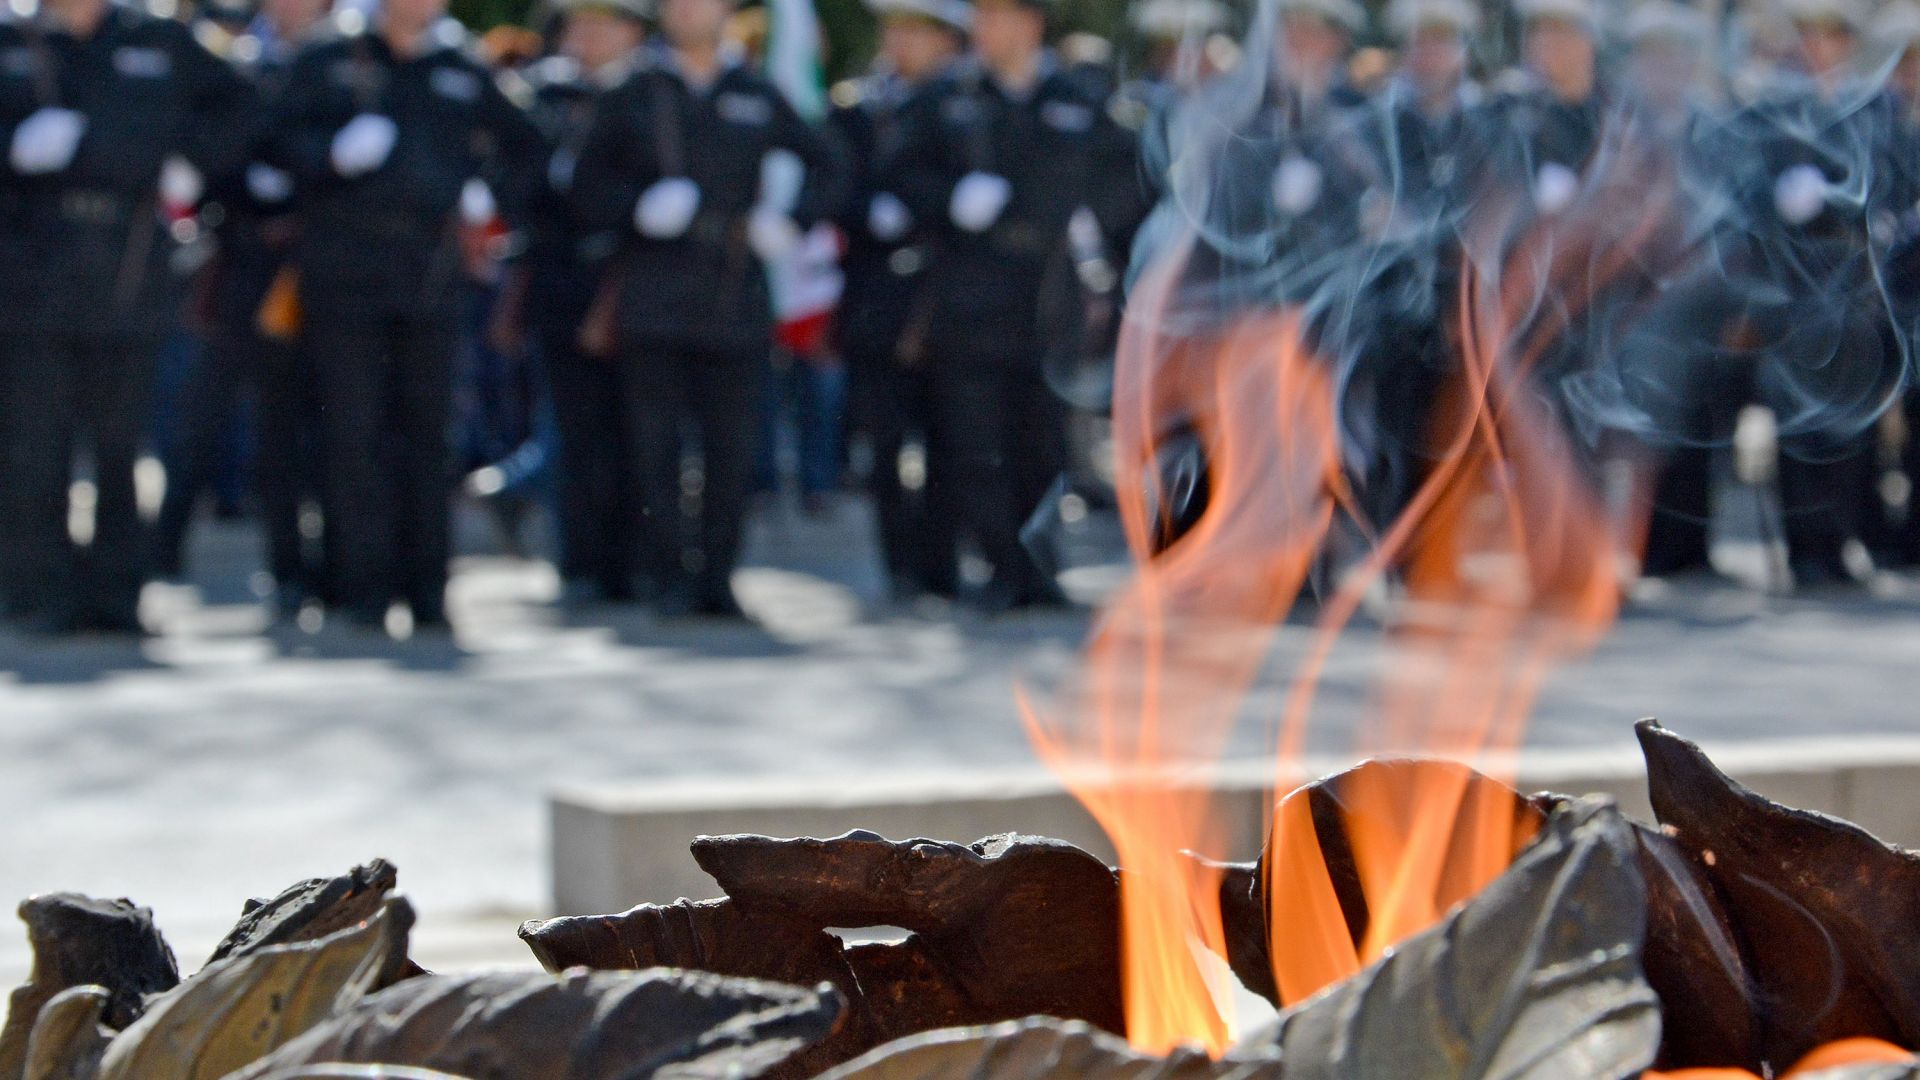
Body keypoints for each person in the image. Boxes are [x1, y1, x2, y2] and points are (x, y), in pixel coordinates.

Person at [270, 0, 544, 634]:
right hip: (343, 269)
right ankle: (359, 589)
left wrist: (485, 194)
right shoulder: (326, 56)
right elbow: (271, 140)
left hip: (430, 272)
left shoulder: (460, 66)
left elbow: (525, 144)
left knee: (429, 434)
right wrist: (329, 156)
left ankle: (428, 591)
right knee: (352, 432)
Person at [568, 0, 846, 620]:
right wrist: (635, 208)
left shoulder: (754, 90)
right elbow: (582, 187)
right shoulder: (631, 90)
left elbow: (830, 162)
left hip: (733, 290)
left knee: (732, 446)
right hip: (654, 292)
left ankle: (718, 577)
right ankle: (667, 575)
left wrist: (793, 221)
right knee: (654, 446)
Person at [0, 0, 253, 635]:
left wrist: (193, 162)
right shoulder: (12, 38)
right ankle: (38, 594)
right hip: (32, 267)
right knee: (36, 445)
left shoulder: (158, 40)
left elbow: (241, 105)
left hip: (130, 263)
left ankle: (118, 596)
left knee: (121, 446)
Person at [887, 0, 1144, 612]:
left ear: (1031, 23)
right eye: (980, 16)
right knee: (974, 440)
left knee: (1043, 441)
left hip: (1048, 290)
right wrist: (948, 199)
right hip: (969, 288)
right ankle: (998, 567)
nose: (984, 28)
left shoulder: (1076, 98)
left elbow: (1131, 179)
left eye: (998, 15)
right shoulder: (947, 98)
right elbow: (897, 174)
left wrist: (1099, 236)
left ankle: (1037, 571)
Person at [153, 0, 334, 619]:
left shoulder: (347, 62)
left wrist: (301, 176)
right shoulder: (238, 63)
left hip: (321, 260)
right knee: (204, 410)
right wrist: (235, 175)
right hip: (241, 258)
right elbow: (202, 141)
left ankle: (319, 569)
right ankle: (164, 548)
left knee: (319, 424)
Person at [498, 0, 650, 607]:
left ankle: (637, 563)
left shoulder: (653, 93)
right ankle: (581, 561)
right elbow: (511, 176)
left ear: (632, 30)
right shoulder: (542, 94)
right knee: (574, 428)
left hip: (638, 276)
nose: (586, 36)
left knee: (641, 429)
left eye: (602, 23)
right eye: (579, 23)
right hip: (561, 276)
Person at [828, 0, 968, 603]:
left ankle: (942, 565)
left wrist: (928, 209)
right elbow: (830, 183)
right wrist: (864, 212)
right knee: (883, 437)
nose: (900, 41)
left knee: (950, 435)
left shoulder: (968, 102)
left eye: (916, 30)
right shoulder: (857, 106)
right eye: (895, 29)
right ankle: (899, 567)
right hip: (875, 290)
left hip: (944, 288)